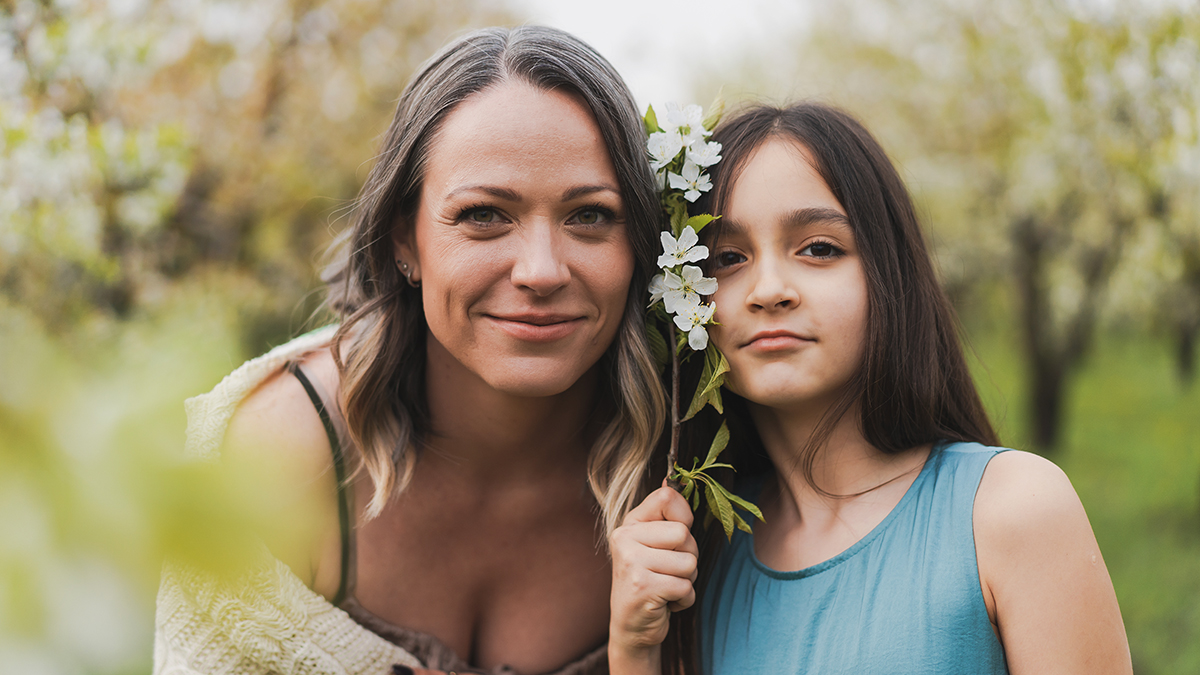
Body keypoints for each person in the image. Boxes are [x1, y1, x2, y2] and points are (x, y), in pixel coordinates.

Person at [153, 25, 667, 675]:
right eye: (485, 214)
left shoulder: (684, 460)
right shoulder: (275, 454)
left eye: (590, 215)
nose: (541, 270)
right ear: (405, 239)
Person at [607, 102, 1132, 674]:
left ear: (888, 273)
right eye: (729, 258)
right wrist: (634, 650)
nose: (770, 289)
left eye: (819, 249)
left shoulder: (1012, 511)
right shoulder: (700, 552)